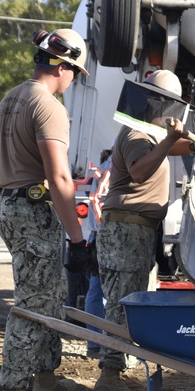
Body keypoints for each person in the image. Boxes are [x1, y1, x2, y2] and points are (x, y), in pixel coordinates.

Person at [93, 70, 195, 391]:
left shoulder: (149, 133)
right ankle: (108, 378)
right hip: (127, 230)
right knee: (122, 304)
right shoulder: (138, 134)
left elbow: (174, 147)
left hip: (138, 230)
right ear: (159, 103)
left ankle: (118, 372)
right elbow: (139, 170)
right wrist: (170, 141)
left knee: (133, 302)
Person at [0, 28, 92, 391]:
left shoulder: (11, 97)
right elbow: (60, 178)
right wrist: (79, 239)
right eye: (76, 73)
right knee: (33, 304)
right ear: (64, 67)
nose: (73, 81)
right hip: (31, 211)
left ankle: (46, 381)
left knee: (47, 294)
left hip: (10, 204)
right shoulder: (49, 106)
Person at [83, 147, 112, 356]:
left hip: (98, 235)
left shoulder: (105, 165)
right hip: (104, 236)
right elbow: (97, 198)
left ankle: (95, 342)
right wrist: (106, 229)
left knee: (97, 290)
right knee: (100, 290)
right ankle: (97, 343)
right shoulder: (112, 166)